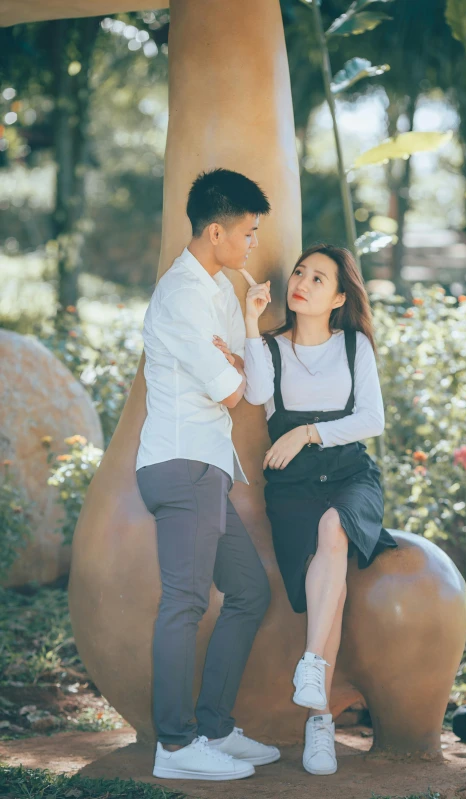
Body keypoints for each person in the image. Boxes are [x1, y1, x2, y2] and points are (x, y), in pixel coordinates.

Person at [223, 243, 398, 776]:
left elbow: (372, 419)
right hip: (293, 487)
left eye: (319, 278)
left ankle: (316, 692)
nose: (302, 281)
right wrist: (251, 324)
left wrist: (307, 431)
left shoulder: (354, 347)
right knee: (331, 585)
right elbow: (255, 391)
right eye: (300, 272)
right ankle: (317, 699)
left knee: (334, 529)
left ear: (340, 297)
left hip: (349, 476)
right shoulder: (272, 348)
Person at [136, 168, 280, 781]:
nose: (253, 244)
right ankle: (174, 746)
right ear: (216, 230)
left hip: (207, 470)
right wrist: (233, 370)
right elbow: (231, 394)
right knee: (186, 602)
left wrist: (245, 327)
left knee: (249, 592)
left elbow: (244, 378)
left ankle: (214, 726)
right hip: (181, 463)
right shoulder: (184, 295)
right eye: (247, 233)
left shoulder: (219, 287)